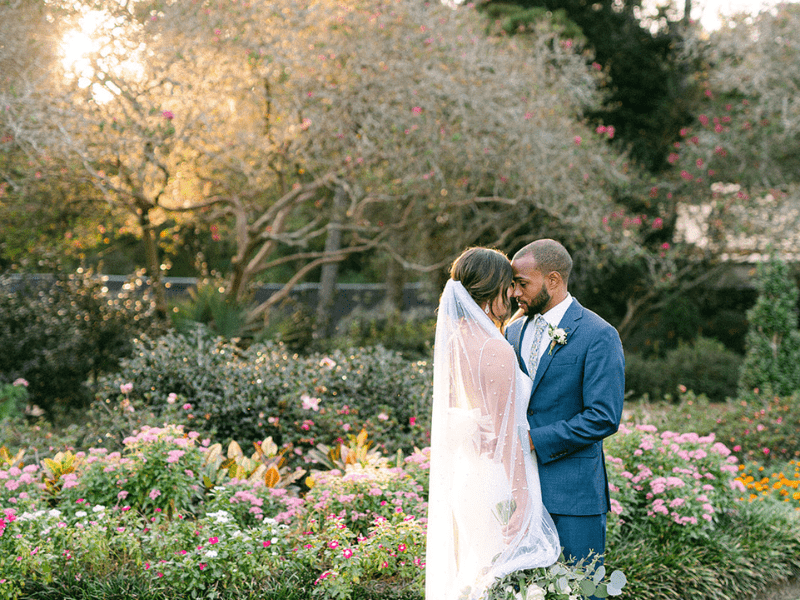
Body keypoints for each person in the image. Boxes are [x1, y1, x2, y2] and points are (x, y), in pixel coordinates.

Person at [426, 247, 560, 600]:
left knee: (479, 569)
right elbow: (505, 434)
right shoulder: (495, 349)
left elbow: (462, 417)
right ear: (491, 291)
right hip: (496, 480)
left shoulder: (455, 343)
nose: (514, 294)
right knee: (500, 576)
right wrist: (522, 497)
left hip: (470, 475)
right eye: (508, 286)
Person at [505, 239, 624, 572]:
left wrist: (533, 439)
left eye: (522, 284)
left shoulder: (598, 334)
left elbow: (603, 417)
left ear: (553, 280)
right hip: (519, 496)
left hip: (574, 498)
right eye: (513, 284)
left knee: (582, 590)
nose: (515, 293)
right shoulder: (512, 332)